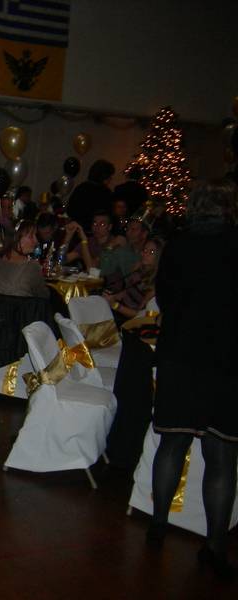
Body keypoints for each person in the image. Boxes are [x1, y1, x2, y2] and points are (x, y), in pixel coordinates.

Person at [149, 179, 238, 580]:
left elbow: (164, 298)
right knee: (221, 456)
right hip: (225, 361)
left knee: (172, 443)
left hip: (180, 357)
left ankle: (158, 525)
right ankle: (215, 545)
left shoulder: (178, 245)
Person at [103, 236, 164, 320]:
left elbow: (139, 315)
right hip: (118, 308)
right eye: (145, 250)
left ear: (159, 256)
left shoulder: (155, 284)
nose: (145, 254)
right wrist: (112, 297)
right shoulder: (139, 268)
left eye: (152, 252)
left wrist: (115, 305)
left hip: (128, 319)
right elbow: (126, 292)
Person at [0, 220, 48, 299]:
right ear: (17, 238)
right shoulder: (32, 266)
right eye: (31, 237)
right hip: (21, 307)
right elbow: (44, 296)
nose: (36, 241)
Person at [67, 159, 115, 232]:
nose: (110, 180)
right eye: (109, 177)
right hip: (97, 231)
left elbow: (70, 210)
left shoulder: (81, 188)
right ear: (104, 177)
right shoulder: (105, 193)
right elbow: (108, 215)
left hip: (78, 229)